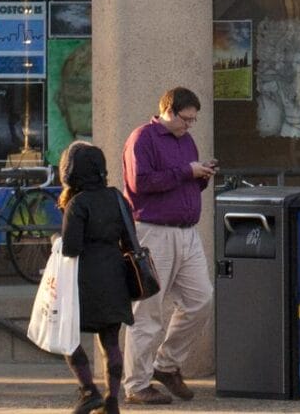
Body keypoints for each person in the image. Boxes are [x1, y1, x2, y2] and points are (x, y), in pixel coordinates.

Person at [120, 87, 215, 405]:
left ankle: (166, 364)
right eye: (186, 119)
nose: (190, 125)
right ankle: (136, 383)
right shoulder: (142, 138)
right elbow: (140, 183)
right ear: (169, 111)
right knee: (147, 310)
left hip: (186, 231)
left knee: (201, 299)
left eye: (193, 120)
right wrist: (186, 171)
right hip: (153, 231)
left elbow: (182, 180)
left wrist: (201, 175)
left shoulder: (185, 140)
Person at [58, 141, 137, 414]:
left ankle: (88, 390)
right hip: (114, 276)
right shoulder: (118, 198)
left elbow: (71, 248)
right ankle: (112, 401)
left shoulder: (77, 203)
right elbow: (130, 240)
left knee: (68, 337)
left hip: (83, 279)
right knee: (111, 341)